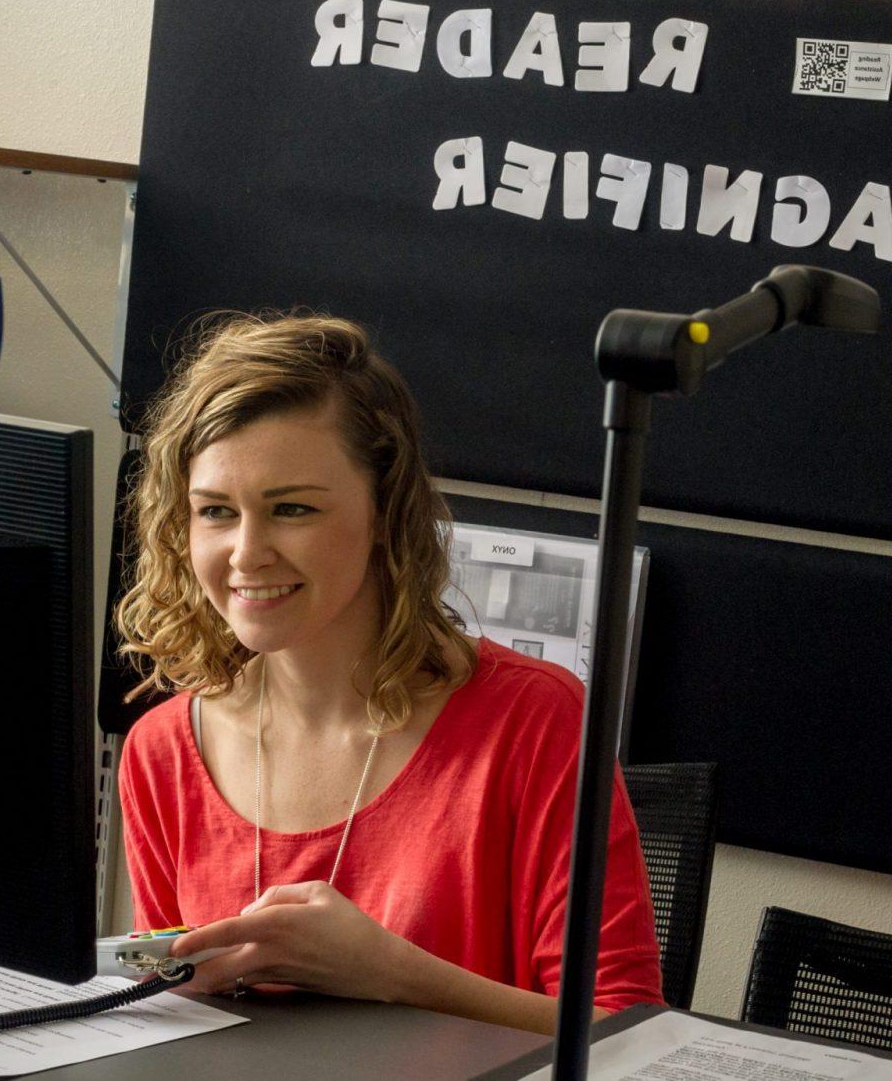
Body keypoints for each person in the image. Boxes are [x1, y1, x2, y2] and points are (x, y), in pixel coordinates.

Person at [113, 311, 662, 1031]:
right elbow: (168, 1025)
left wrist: (390, 974)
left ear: (386, 512)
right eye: (216, 511)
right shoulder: (160, 754)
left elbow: (631, 1034)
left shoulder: (535, 722)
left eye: (292, 509)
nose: (247, 552)